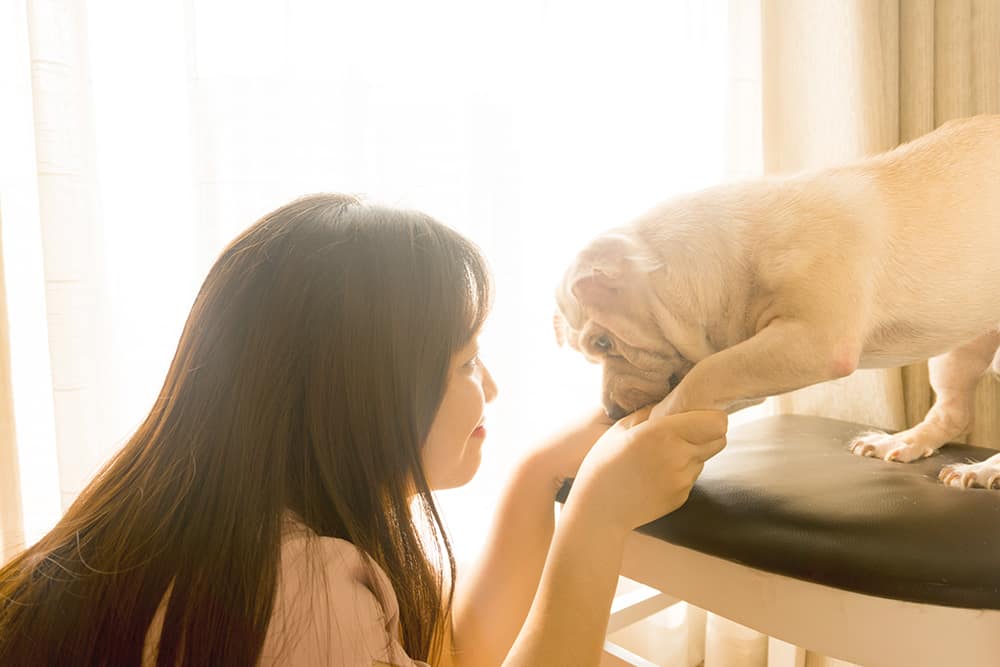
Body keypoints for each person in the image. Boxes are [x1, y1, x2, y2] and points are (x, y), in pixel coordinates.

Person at [0, 193, 727, 666]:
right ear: (368, 388)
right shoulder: (297, 595)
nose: (493, 388)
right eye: (468, 360)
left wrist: (539, 475)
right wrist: (594, 521)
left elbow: (459, 651)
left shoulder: (215, 537)